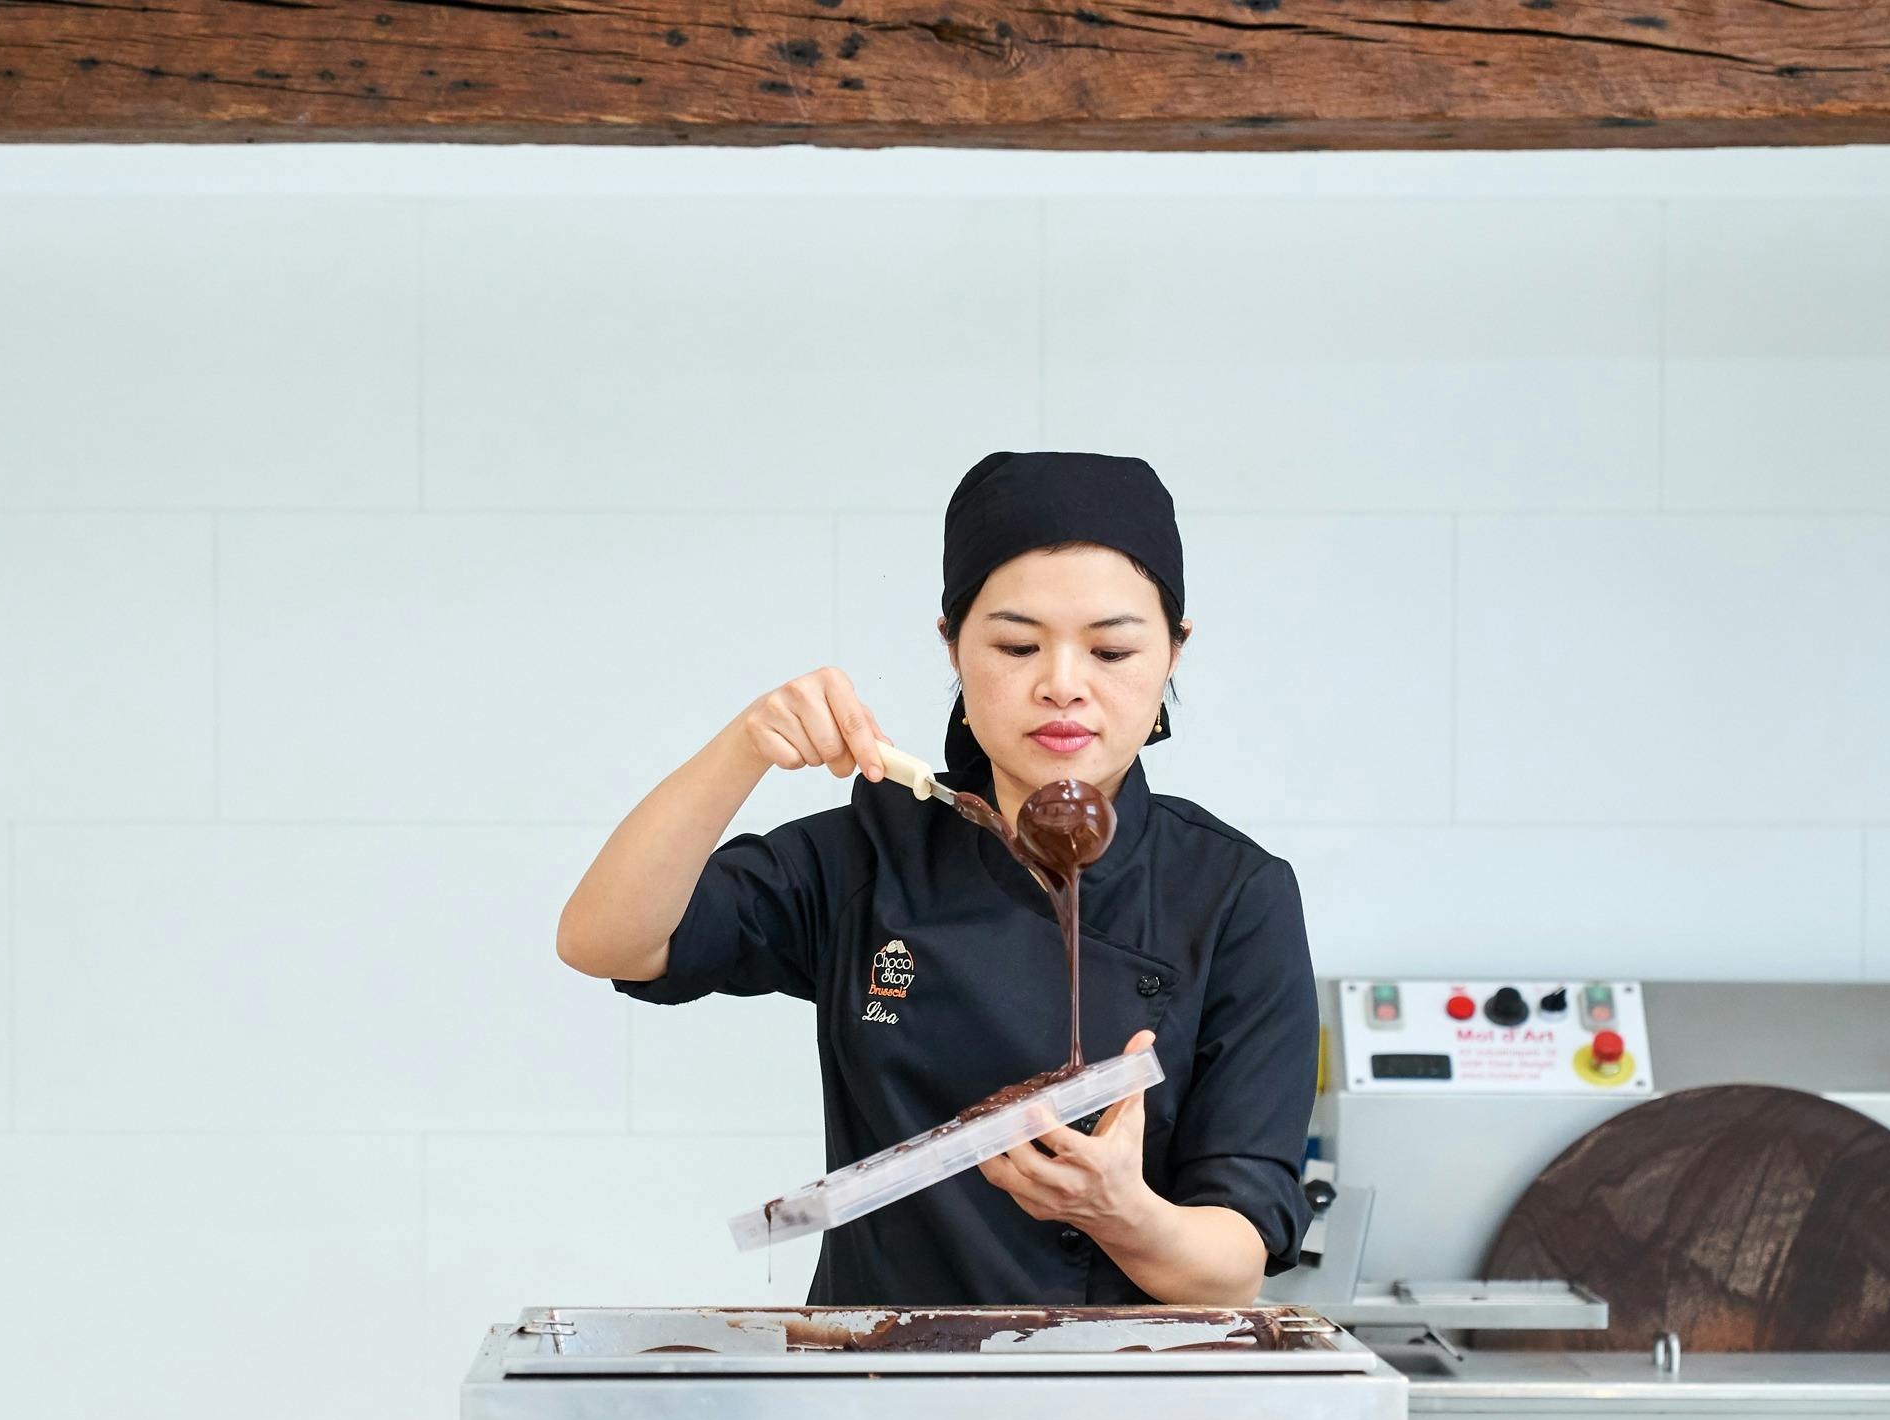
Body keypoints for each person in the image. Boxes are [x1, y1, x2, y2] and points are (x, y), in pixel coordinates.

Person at [556, 449, 1319, 1307]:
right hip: (874, 1376)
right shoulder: (873, 851)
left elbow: (1234, 1266)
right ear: (953, 644)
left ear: (1174, 652)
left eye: (1111, 650)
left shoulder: (1235, 894)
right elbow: (605, 941)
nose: (1062, 685)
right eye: (1017, 645)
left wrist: (1120, 1214)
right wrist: (744, 748)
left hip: (1117, 1380)